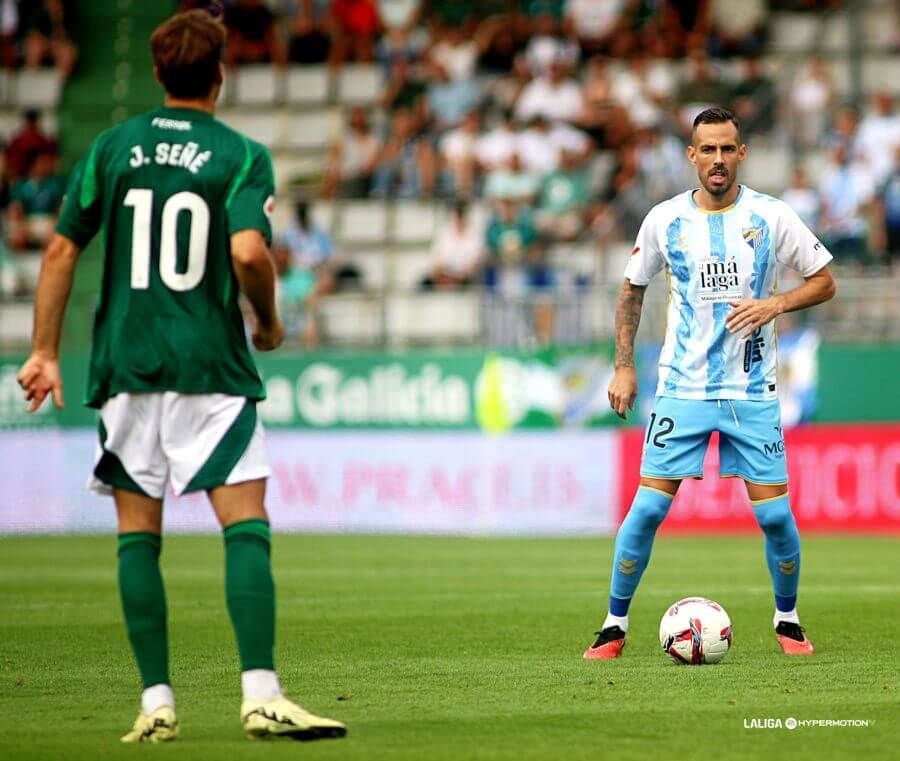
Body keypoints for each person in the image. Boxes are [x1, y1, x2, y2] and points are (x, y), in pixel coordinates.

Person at [15, 10, 346, 744]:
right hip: (210, 363)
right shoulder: (240, 154)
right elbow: (252, 254)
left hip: (126, 365)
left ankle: (158, 701)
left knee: (139, 535)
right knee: (246, 525)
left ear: (161, 74)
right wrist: (268, 319)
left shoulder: (112, 147)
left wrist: (43, 349)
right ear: (220, 75)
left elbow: (63, 252)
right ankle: (260, 692)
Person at [584, 107, 836, 661]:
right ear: (691, 156)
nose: (718, 160)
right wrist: (624, 364)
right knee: (646, 511)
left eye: (728, 149)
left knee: (774, 516)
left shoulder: (772, 217)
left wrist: (776, 303)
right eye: (708, 150)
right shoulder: (664, 220)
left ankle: (787, 618)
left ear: (741, 154)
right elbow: (632, 290)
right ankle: (613, 624)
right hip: (682, 389)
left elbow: (823, 282)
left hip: (752, 392)